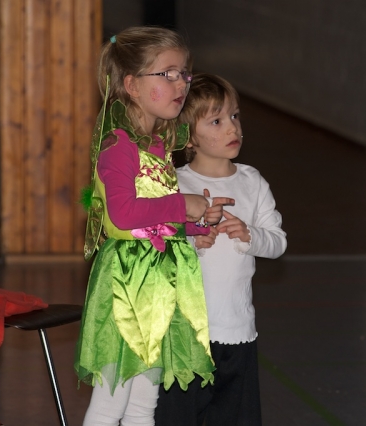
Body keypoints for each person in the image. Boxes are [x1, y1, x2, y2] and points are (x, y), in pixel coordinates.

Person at [74, 27, 234, 426]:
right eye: (168, 74)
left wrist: (195, 227)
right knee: (110, 405)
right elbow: (124, 215)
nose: (181, 84)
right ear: (132, 85)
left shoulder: (157, 144)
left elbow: (155, 224)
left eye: (184, 74)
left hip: (159, 286)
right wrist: (183, 204)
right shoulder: (118, 146)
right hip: (127, 285)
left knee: (144, 407)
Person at [154, 73, 287, 425]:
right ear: (188, 137)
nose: (232, 127)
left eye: (235, 116)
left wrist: (250, 235)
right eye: (216, 121)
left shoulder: (252, 182)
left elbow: (278, 242)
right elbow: (158, 247)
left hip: (237, 330)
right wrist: (193, 241)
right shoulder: (175, 184)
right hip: (185, 334)